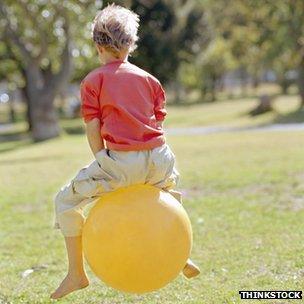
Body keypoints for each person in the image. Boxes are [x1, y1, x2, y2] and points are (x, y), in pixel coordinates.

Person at [51, 4, 200, 300]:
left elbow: (93, 127)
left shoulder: (94, 81)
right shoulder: (151, 80)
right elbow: (157, 123)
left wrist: (102, 159)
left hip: (122, 160)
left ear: (97, 45)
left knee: (65, 201)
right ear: (132, 43)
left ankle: (76, 274)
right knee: (164, 196)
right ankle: (179, 256)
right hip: (160, 157)